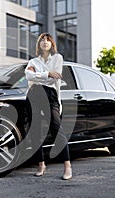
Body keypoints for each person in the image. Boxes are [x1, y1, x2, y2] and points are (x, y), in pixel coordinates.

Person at [24, 33, 72, 180]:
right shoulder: (33, 60)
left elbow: (54, 78)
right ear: (39, 44)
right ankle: (41, 164)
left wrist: (39, 74)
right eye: (42, 40)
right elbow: (27, 75)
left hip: (50, 95)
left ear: (52, 44)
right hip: (33, 94)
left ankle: (67, 165)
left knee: (56, 128)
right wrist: (47, 74)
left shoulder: (57, 58)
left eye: (48, 40)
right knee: (35, 130)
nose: (45, 42)